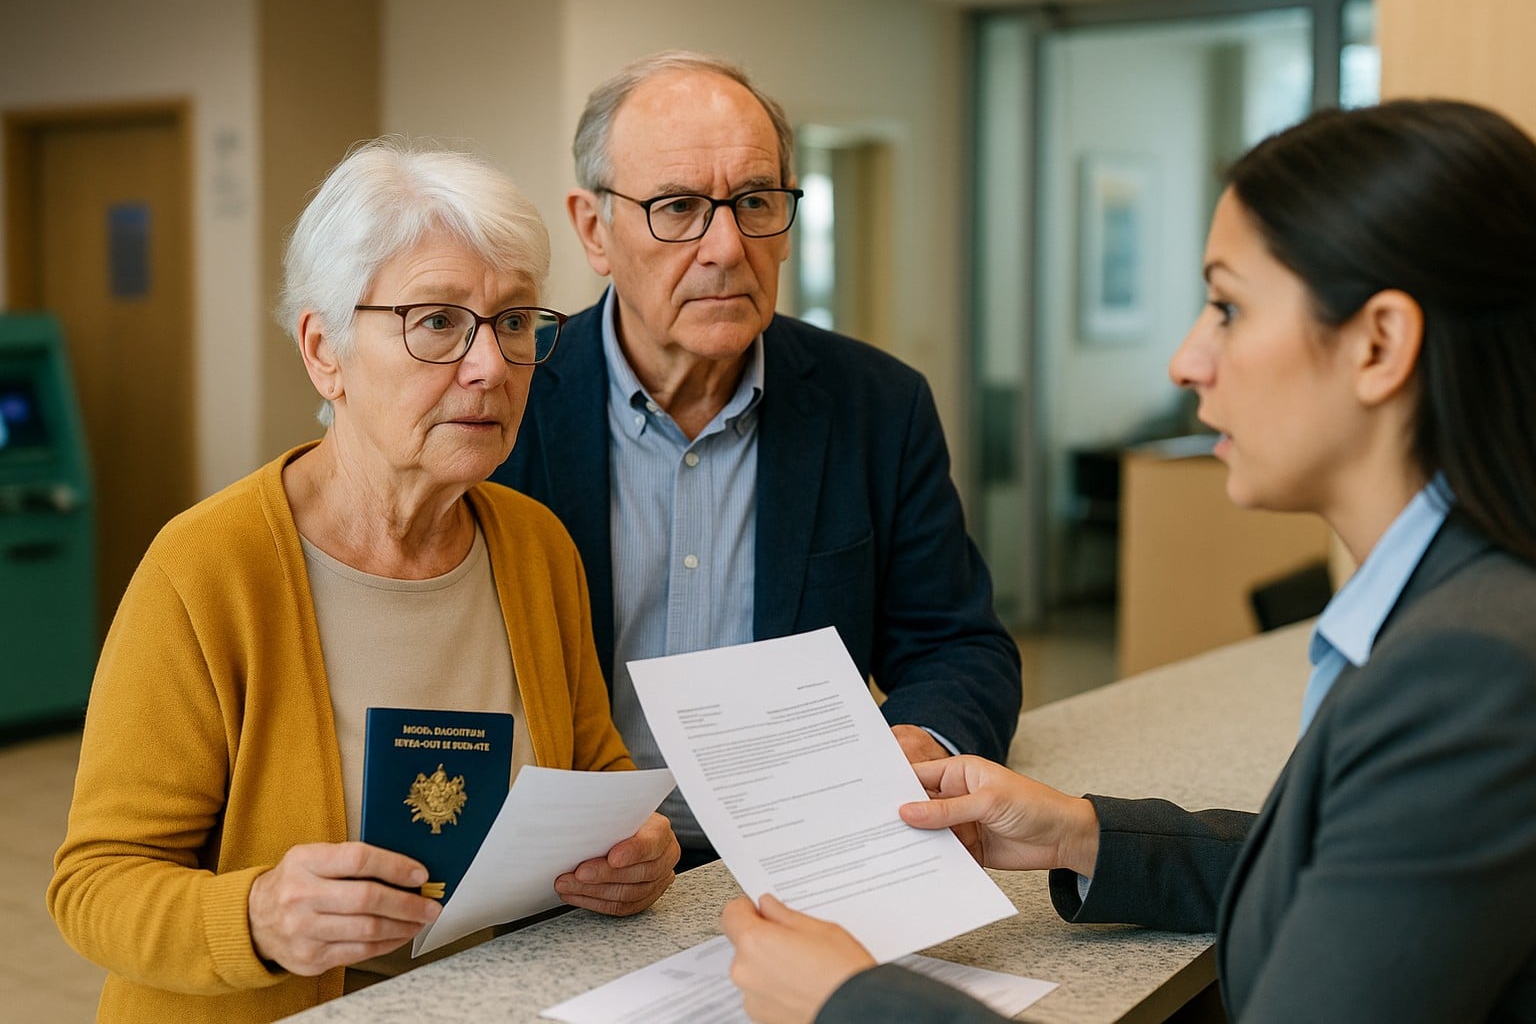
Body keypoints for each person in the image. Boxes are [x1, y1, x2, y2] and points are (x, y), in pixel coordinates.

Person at [721, 98, 1536, 1023]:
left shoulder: (1469, 668)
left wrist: (847, 1004)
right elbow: (1356, 870)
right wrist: (1083, 833)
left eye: (1228, 306)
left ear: (1380, 344)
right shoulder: (1465, 612)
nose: (1187, 361)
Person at [48, 136, 679, 1022]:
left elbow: (592, 769)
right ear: (324, 350)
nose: (491, 367)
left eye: (513, 323)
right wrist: (260, 917)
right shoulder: (207, 568)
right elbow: (95, 886)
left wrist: (637, 851)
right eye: (436, 322)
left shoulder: (534, 547)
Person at [490, 50, 1021, 869]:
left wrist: (918, 736)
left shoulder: (878, 404)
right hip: (574, 869)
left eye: (755, 202)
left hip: (807, 853)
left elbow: (958, 645)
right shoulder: (504, 400)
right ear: (595, 230)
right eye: (677, 207)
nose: (727, 247)